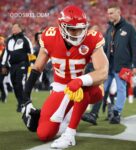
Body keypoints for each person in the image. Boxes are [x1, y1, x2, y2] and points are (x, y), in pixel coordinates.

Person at [21, 5, 108, 149]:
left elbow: (103, 71)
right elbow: (37, 68)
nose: (78, 32)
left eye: (81, 28)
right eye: (73, 29)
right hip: (61, 89)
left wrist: (80, 80)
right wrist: (25, 100)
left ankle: (70, 134)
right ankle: (70, 111)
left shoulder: (92, 38)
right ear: (62, 27)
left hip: (85, 88)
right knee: (44, 134)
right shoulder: (50, 36)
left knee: (82, 87)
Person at [82, 3, 136, 124]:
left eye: (112, 13)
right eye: (108, 13)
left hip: (124, 66)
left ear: (119, 12)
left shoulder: (129, 28)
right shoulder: (109, 29)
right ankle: (93, 114)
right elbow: (105, 48)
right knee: (102, 88)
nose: (109, 15)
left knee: (121, 88)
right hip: (108, 65)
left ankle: (116, 114)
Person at [1, 23, 33, 112]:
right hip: (13, 66)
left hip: (23, 64)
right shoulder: (9, 40)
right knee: (14, 84)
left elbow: (31, 52)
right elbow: (6, 53)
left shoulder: (25, 39)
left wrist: (32, 63)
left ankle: (25, 102)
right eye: (12, 28)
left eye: (15, 28)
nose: (13, 29)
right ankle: (20, 103)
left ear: (20, 29)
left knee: (20, 83)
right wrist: (4, 65)